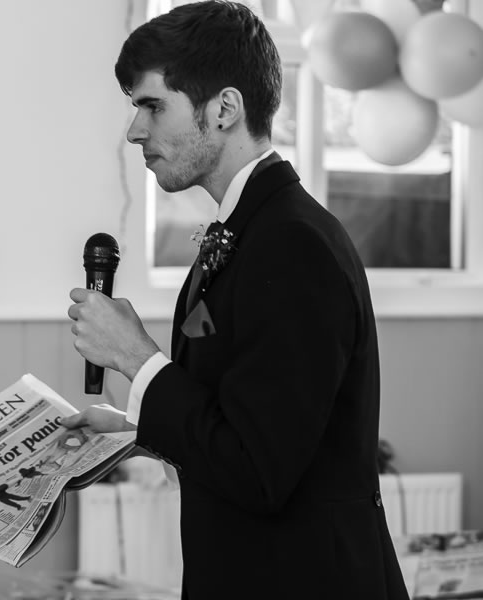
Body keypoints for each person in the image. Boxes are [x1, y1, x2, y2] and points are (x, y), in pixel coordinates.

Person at [62, 2, 409, 599]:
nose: (135, 130)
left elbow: (257, 470)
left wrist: (136, 359)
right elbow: (242, 420)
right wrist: (136, 432)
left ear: (224, 108)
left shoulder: (293, 243)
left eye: (153, 106)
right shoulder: (249, 228)